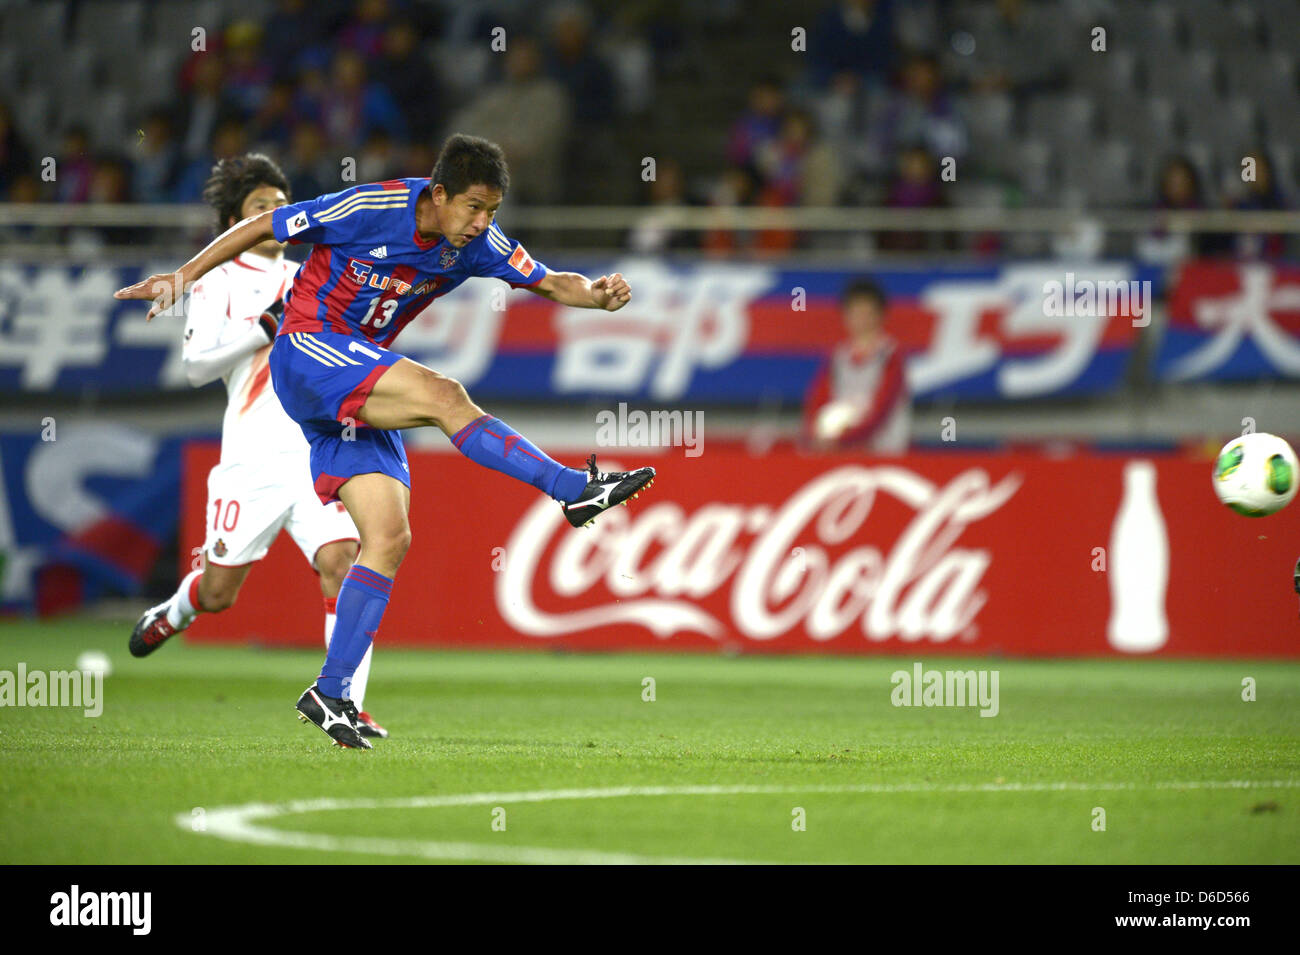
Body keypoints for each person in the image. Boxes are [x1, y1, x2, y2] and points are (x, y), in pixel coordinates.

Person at [115, 134, 655, 749]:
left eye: (494, 212)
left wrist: (596, 294)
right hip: (307, 352)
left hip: (349, 390)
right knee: (446, 396)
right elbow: (267, 224)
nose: (483, 223)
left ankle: (333, 691)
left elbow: (548, 281)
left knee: (388, 539)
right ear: (439, 193)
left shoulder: (475, 244)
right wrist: (181, 278)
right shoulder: (369, 207)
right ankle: (572, 489)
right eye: (474, 208)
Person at [126, 153, 388, 738]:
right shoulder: (217, 278)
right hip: (252, 460)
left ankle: (345, 701)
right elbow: (195, 367)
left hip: (317, 449)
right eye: (259, 207)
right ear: (234, 219)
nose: (275, 213)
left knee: (343, 562)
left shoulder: (310, 272)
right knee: (218, 593)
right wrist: (263, 330)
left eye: (281, 202)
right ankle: (174, 611)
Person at [802, 278, 910, 454]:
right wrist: (816, 433)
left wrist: (844, 438)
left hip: (884, 454)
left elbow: (881, 411)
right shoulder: (838, 357)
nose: (861, 319)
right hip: (841, 452)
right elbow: (818, 402)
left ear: (880, 315)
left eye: (867, 312)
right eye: (855, 312)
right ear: (845, 315)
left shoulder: (890, 357)